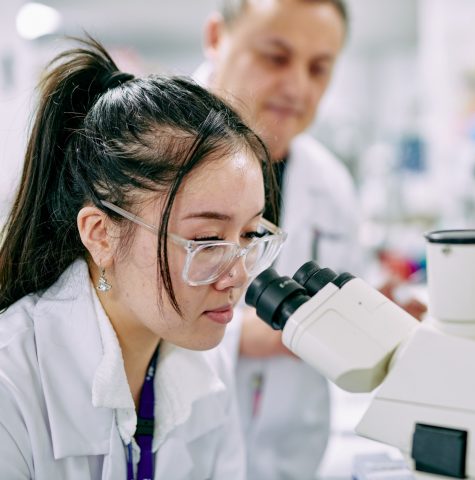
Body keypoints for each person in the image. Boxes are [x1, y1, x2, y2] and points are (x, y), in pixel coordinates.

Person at [0, 37, 286, 479]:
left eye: (249, 234)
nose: (237, 275)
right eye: (208, 240)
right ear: (101, 235)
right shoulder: (12, 385)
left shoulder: (207, 366)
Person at [197, 1, 427, 478]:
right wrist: (261, 335)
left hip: (292, 458)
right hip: (183, 450)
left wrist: (378, 311)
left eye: (319, 68)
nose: (298, 87)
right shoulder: (150, 163)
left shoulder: (331, 183)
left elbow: (350, 294)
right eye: (275, 57)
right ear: (217, 37)